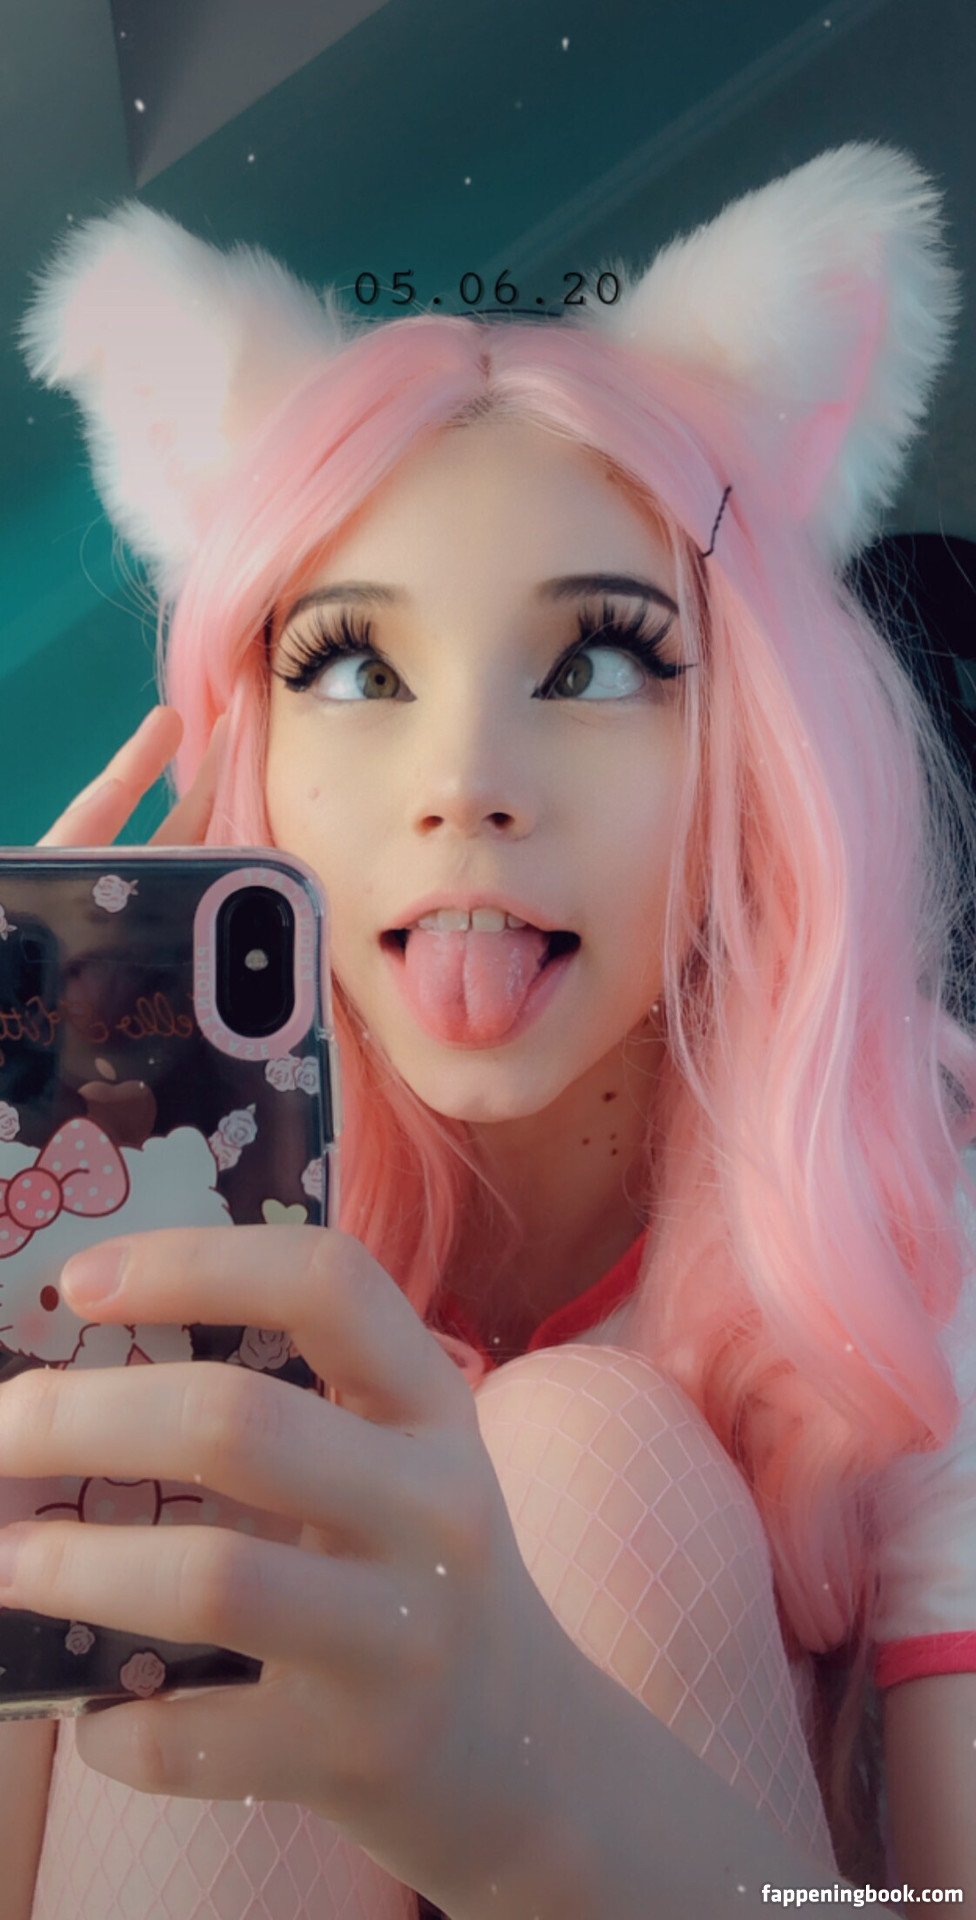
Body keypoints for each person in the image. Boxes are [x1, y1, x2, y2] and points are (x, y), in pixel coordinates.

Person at [1, 140, 975, 1918]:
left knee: (585, 1449)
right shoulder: (143, 1188)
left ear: (754, 739)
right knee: (240, 1493)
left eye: (598, 660)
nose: (465, 781)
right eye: (353, 668)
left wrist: (518, 1778)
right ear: (253, 741)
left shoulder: (926, 1193)